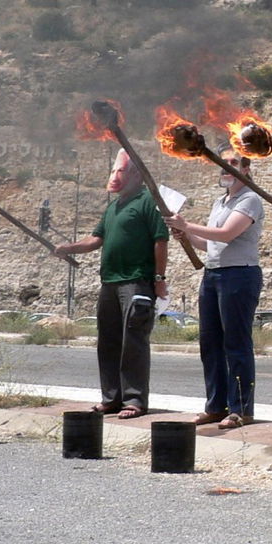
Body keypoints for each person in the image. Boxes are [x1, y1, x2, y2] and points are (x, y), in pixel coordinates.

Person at [55, 149, 169, 419]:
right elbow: (95, 241)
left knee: (133, 342)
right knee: (108, 342)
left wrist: (159, 279)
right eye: (114, 171)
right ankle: (111, 399)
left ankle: (134, 401)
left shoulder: (148, 201)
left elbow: (160, 240)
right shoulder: (113, 207)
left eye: (121, 171)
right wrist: (67, 248)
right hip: (109, 283)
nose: (116, 176)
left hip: (137, 282)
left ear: (137, 175)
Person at [166, 147, 265, 430]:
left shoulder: (250, 200)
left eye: (233, 162)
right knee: (210, 344)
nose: (226, 167)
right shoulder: (220, 202)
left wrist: (188, 224)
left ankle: (241, 409)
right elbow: (210, 244)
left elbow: (227, 234)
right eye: (223, 163)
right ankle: (216, 405)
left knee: (236, 343)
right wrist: (186, 234)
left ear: (245, 169)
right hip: (213, 275)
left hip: (239, 276)